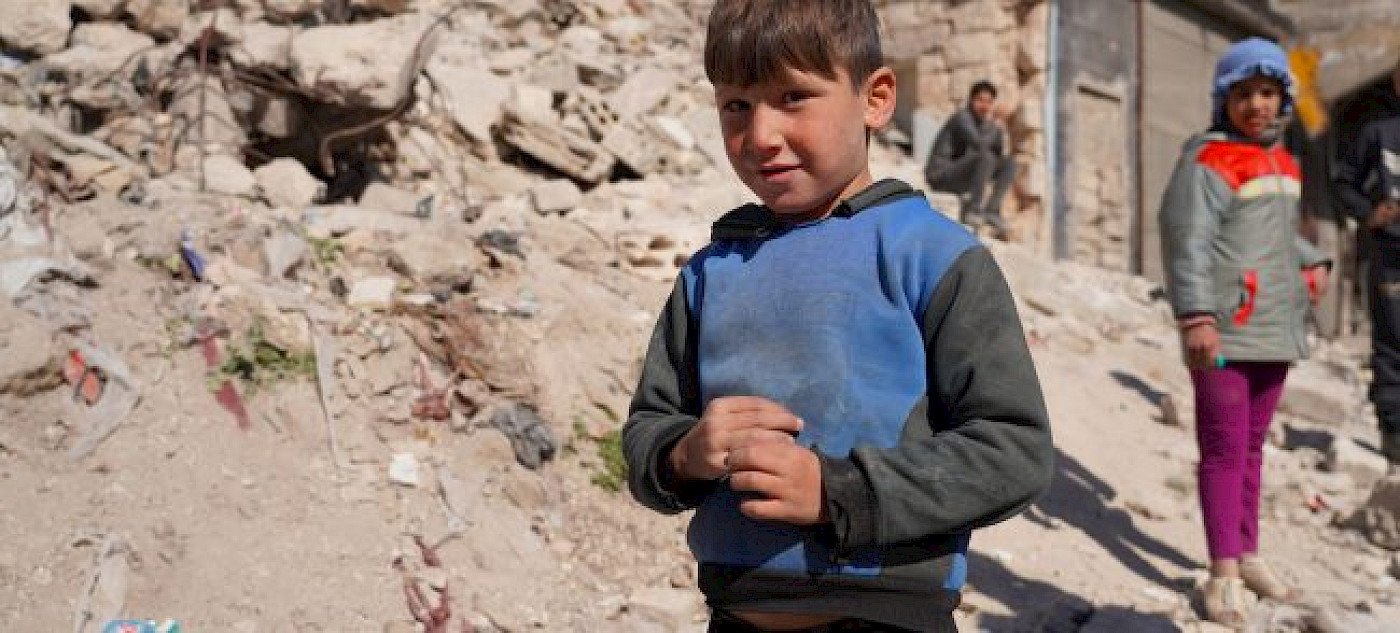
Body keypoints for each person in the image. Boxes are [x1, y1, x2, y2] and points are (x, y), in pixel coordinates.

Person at [622, 2, 1054, 632]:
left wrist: (840, 492)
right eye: (737, 105)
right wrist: (684, 454)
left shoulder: (931, 256)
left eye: (793, 97)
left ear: (875, 100)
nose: (761, 134)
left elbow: (1015, 450)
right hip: (735, 614)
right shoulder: (711, 272)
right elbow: (647, 427)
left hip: (886, 618)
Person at [1158, 38, 1331, 629]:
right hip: (1225, 330)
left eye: (1267, 93)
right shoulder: (1207, 160)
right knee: (1225, 450)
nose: (1256, 105)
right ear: (1223, 100)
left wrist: (1311, 259)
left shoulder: (1284, 162)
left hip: (1275, 328)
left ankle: (1248, 554)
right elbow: (1186, 238)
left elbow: (1269, 236)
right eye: (1243, 94)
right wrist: (1196, 316)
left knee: (1254, 448)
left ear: (1283, 99)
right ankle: (1223, 572)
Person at [1335, 58, 1400, 466]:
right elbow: (1344, 184)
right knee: (1393, 340)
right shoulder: (1377, 132)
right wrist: (1368, 212)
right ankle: (1394, 432)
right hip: (1391, 252)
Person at [924, 80, 1017, 238]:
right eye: (981, 100)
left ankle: (992, 210)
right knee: (985, 156)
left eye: (989, 102)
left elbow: (998, 154)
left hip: (960, 176)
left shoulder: (985, 124)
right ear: (972, 100)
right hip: (940, 176)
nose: (985, 106)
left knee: (1009, 163)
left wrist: (998, 129)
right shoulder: (962, 118)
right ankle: (974, 211)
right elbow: (980, 145)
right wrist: (996, 124)